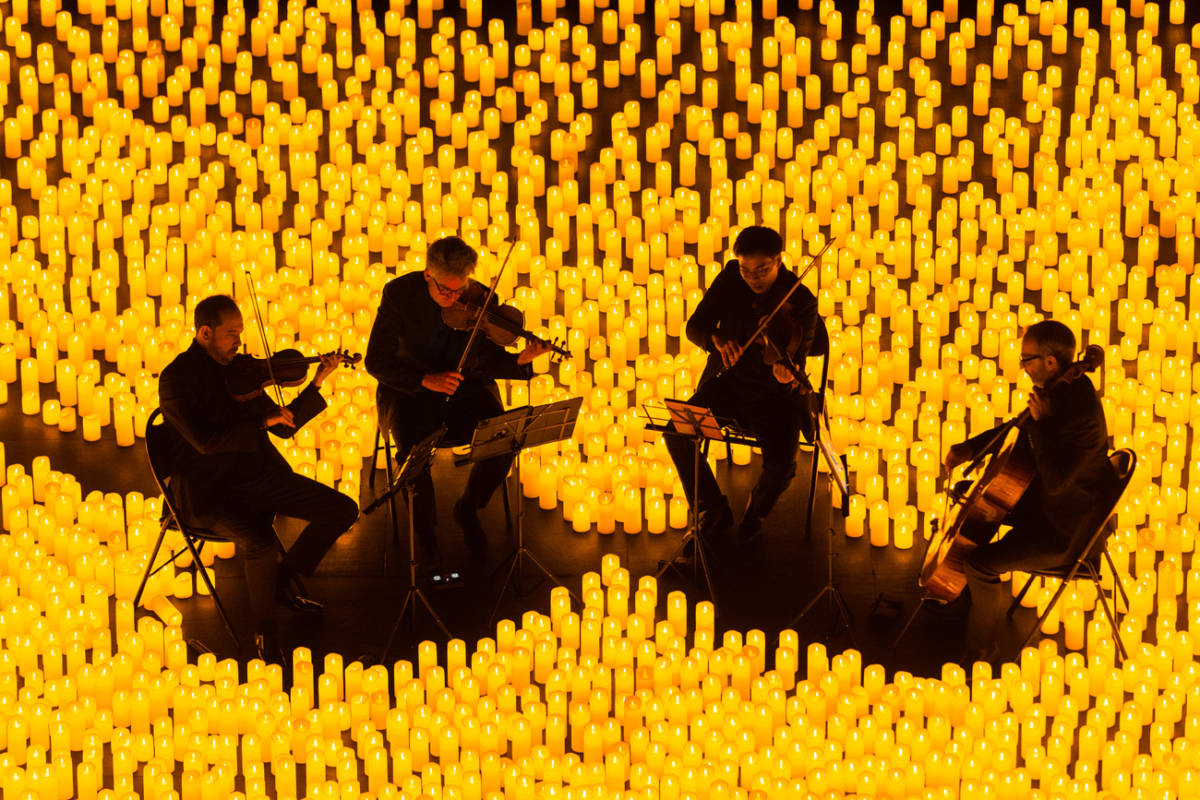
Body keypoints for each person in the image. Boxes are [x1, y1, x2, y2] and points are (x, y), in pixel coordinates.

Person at [158, 294, 360, 663]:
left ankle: (280, 582)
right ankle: (265, 632)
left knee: (342, 509)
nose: (239, 342)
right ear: (205, 333)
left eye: (240, 333)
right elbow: (204, 442)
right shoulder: (177, 379)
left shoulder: (242, 373)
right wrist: (260, 422)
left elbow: (283, 428)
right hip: (209, 491)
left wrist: (316, 383)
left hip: (258, 477)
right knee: (261, 543)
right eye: (231, 334)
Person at [365, 236, 551, 572]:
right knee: (413, 457)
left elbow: (486, 357)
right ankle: (426, 535)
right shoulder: (399, 295)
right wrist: (425, 380)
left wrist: (519, 361)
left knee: (504, 438)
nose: (454, 298)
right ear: (428, 275)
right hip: (409, 391)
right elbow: (375, 361)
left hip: (464, 386)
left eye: (459, 288)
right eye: (445, 291)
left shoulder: (478, 297)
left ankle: (468, 507)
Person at [944, 320, 1118, 664]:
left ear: (1050, 362)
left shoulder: (1080, 416)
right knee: (968, 494)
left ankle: (981, 649)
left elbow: (1055, 480)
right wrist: (969, 449)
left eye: (1027, 359)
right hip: (1049, 507)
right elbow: (1018, 428)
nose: (1022, 366)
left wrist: (1041, 426)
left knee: (980, 565)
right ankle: (967, 602)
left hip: (1065, 533)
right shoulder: (1062, 388)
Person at [664, 225, 821, 543]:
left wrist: (787, 372)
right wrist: (716, 339)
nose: (753, 279)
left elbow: (798, 356)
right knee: (676, 431)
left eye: (762, 270)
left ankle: (756, 514)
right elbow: (695, 326)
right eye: (746, 270)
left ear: (779, 261)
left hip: (775, 398)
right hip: (728, 383)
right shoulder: (730, 280)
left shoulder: (801, 301)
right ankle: (712, 508)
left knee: (782, 465)